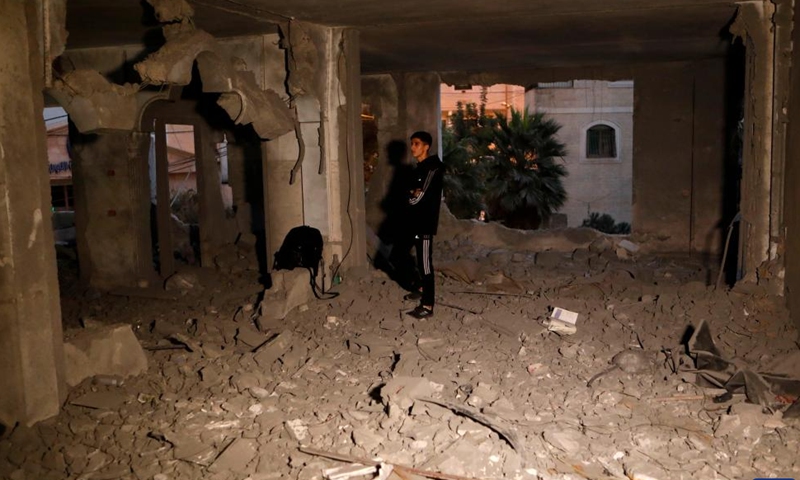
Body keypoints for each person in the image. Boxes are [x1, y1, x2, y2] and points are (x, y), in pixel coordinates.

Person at [403, 131, 444, 319]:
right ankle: (421, 288)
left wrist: (412, 193)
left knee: (426, 264)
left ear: (426, 146)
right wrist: (412, 192)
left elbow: (416, 198)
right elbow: (411, 192)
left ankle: (428, 305)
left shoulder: (433, 167)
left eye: (417, 144)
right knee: (417, 259)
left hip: (424, 224)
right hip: (414, 222)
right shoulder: (420, 167)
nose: (413, 147)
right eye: (412, 143)